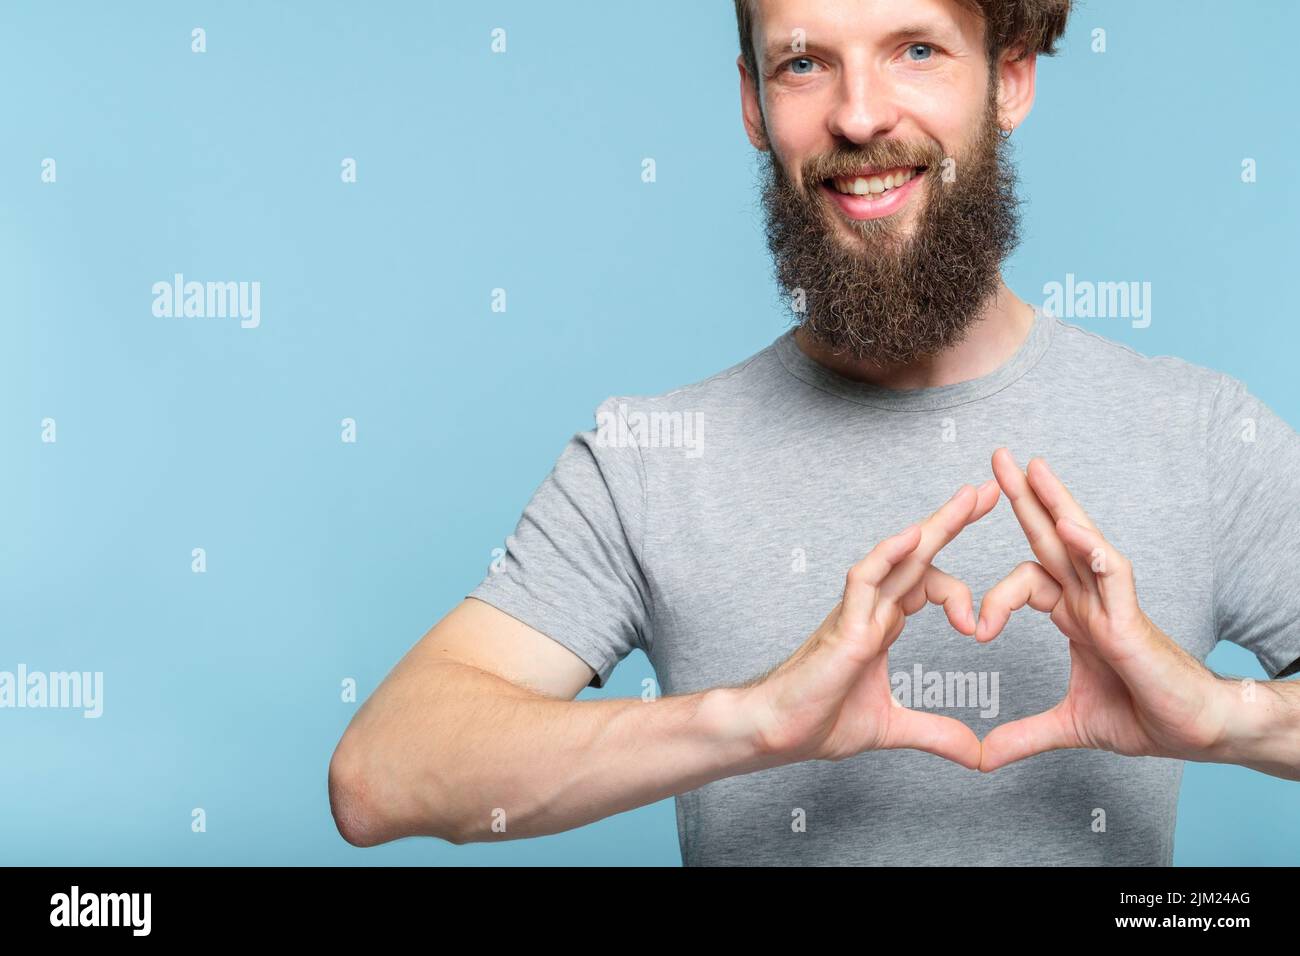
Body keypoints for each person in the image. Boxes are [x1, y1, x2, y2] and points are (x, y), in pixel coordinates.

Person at [327, 0, 1300, 865]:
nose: (860, 114)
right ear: (752, 102)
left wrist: (1229, 720)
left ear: (1009, 78)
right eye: (803, 61)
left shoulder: (1200, 436)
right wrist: (752, 720)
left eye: (915, 49)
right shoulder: (649, 462)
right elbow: (381, 775)